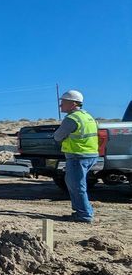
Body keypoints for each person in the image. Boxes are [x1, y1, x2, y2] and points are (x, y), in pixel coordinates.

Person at [52, 90, 99, 223]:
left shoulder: (72, 118)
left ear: (73, 104)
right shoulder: (88, 116)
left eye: (63, 102)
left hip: (78, 156)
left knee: (77, 186)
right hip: (90, 154)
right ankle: (82, 211)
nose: (60, 105)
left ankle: (84, 215)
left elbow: (58, 136)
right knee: (77, 184)